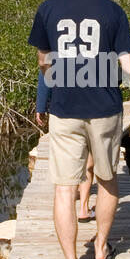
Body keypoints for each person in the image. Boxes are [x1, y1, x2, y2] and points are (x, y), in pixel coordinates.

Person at [28, 0, 130, 259]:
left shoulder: (48, 8)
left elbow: (43, 60)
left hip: (64, 110)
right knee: (108, 178)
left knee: (64, 188)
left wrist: (57, 79)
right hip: (105, 108)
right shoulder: (113, 11)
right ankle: (100, 248)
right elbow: (128, 67)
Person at [35, 71, 95, 221]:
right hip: (93, 110)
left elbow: (45, 74)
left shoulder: (56, 47)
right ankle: (83, 209)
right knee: (89, 163)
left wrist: (41, 106)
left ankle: (71, 204)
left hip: (63, 112)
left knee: (67, 162)